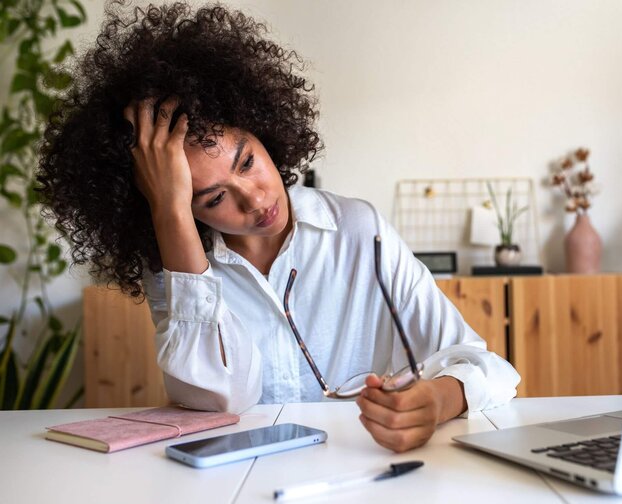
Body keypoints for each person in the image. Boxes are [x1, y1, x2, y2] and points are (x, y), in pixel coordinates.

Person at [38, 1, 520, 453]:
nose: (255, 198)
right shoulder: (178, 262)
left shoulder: (357, 230)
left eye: (247, 161)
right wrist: (168, 211)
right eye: (214, 197)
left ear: (262, 128)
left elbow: (486, 367)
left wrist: (437, 400)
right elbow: (222, 400)